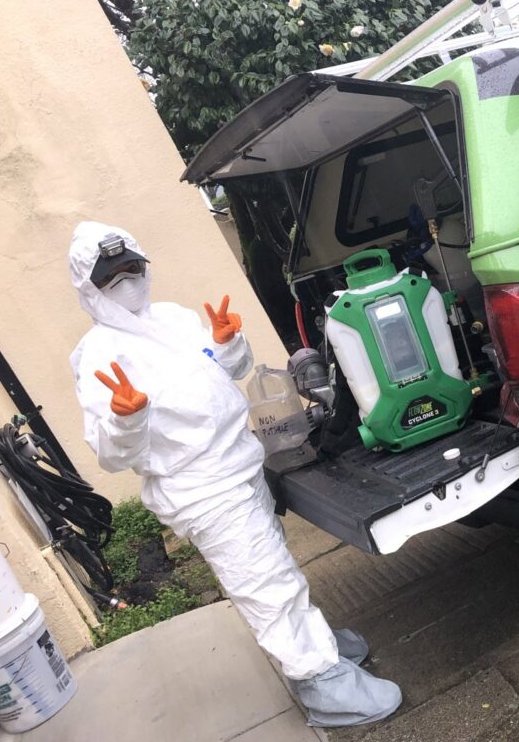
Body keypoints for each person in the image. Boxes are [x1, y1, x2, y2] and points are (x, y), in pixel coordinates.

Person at [68, 221, 401, 727]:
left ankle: (316, 647)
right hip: (201, 488)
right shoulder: (97, 355)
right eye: (112, 276)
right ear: (90, 290)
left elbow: (224, 373)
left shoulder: (173, 319)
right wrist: (125, 420)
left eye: (133, 267)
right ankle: (321, 684)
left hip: (239, 464)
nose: (128, 281)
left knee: (275, 565)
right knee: (263, 582)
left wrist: (228, 344)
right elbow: (112, 455)